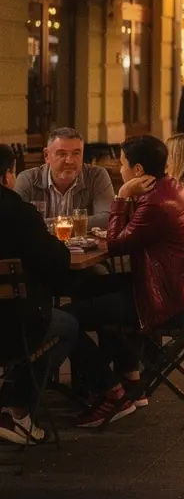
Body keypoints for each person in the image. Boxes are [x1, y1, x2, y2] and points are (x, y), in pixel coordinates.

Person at [65, 135, 184, 429]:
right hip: (182, 294)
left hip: (170, 303)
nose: (119, 169)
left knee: (66, 320)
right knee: (88, 289)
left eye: (122, 164)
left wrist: (121, 196)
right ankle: (129, 379)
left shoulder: (156, 203)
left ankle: (112, 393)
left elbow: (115, 244)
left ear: (138, 170)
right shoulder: (170, 189)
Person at [0, 144, 78, 446]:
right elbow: (57, 260)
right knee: (67, 325)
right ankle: (17, 410)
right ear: (8, 175)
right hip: (12, 326)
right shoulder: (19, 213)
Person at [14, 127, 114, 228]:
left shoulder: (96, 176)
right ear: (47, 156)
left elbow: (107, 218)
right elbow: (16, 221)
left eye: (76, 153)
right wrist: (75, 222)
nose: (69, 161)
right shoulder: (28, 179)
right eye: (62, 154)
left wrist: (55, 224)